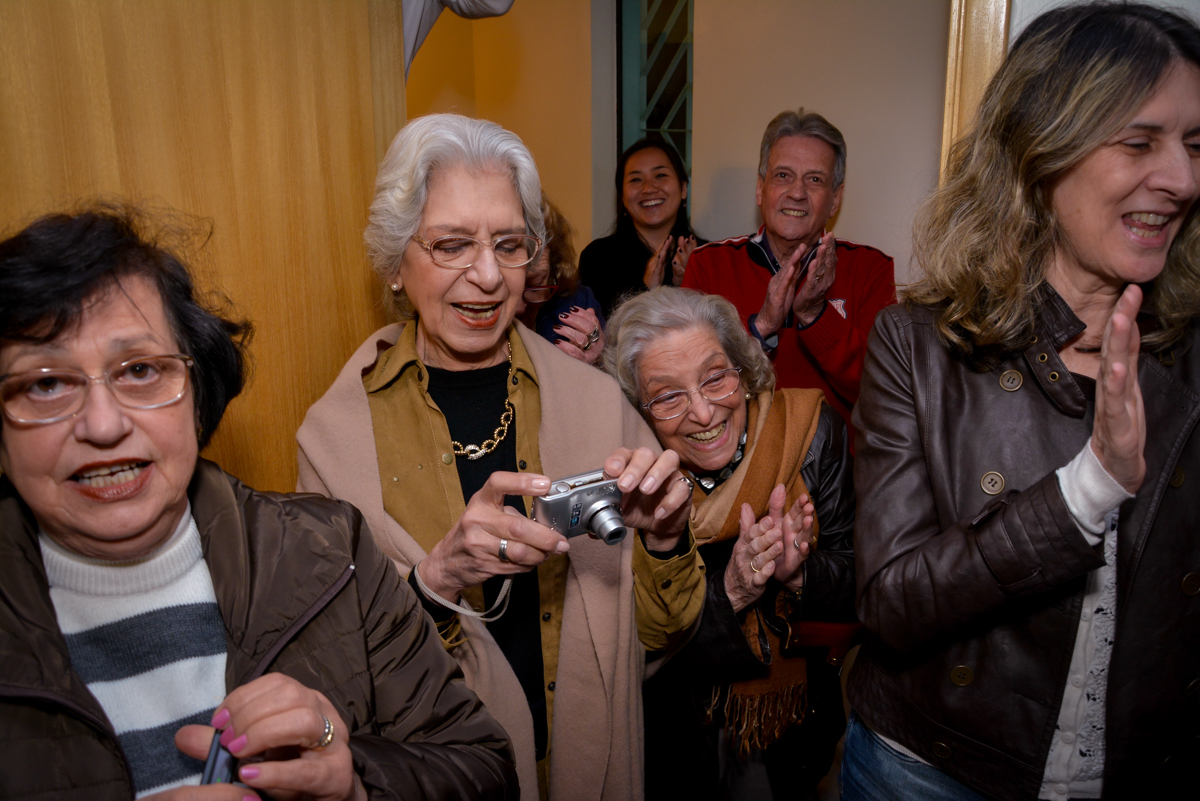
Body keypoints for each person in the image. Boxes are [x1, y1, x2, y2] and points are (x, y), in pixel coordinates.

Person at [0, 207, 516, 800]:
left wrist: (353, 783)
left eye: (139, 369)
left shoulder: (330, 552)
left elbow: (484, 769)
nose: (102, 423)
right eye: (46, 384)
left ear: (197, 393)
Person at [845, 5, 1200, 801]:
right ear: (1042, 154)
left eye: (1195, 145)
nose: (1181, 178)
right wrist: (1089, 489)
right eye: (1140, 143)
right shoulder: (917, 344)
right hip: (927, 772)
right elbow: (892, 604)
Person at [296, 113, 705, 801]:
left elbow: (659, 635)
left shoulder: (600, 403)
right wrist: (437, 580)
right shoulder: (335, 438)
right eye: (453, 244)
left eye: (509, 244)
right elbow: (330, 664)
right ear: (397, 262)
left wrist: (665, 540)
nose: (487, 276)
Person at [604, 287, 857, 801]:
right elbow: (629, 644)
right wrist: (733, 590)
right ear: (638, 409)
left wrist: (798, 573)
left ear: (742, 368)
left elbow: (862, 585)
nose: (703, 412)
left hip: (792, 728)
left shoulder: (808, 431)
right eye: (669, 395)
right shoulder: (625, 477)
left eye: (715, 377)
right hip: (670, 733)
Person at [682, 109, 895, 432]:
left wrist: (816, 315)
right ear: (760, 189)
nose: (797, 192)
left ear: (835, 199)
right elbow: (689, 382)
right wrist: (762, 326)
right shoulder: (709, 265)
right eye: (783, 175)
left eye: (815, 179)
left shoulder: (870, 269)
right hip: (735, 462)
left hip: (838, 473)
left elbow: (882, 392)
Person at [580, 135, 704, 318]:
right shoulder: (598, 258)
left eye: (660, 175)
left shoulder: (707, 255)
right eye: (636, 180)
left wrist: (687, 286)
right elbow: (607, 339)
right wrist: (646, 290)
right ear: (622, 196)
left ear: (683, 188)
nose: (649, 188)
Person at [517, 193, 606, 366]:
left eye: (534, 285)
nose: (520, 307)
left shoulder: (578, 303)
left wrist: (601, 361)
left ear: (554, 268)